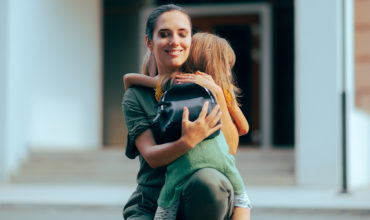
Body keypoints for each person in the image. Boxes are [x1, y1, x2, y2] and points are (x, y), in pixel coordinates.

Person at [122, 4, 249, 220]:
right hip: (153, 203)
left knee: (207, 181)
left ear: (191, 39)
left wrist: (217, 93)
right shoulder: (137, 96)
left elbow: (230, 148)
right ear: (149, 42)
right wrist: (188, 141)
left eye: (183, 34)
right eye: (164, 34)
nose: (174, 41)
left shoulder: (204, 86)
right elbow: (151, 156)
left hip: (202, 199)